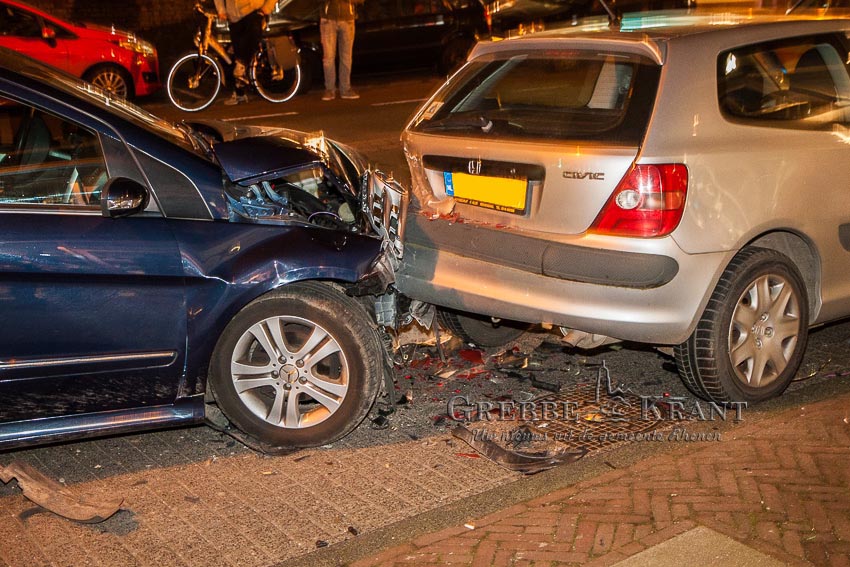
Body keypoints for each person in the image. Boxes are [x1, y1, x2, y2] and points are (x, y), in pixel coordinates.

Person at [214, 0, 277, 105]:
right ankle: (240, 94)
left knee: (243, 57)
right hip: (234, 16)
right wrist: (221, 10)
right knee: (237, 54)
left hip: (254, 11)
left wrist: (267, 7)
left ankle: (244, 68)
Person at [320, 0, 364, 101]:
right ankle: (330, 89)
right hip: (328, 18)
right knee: (328, 57)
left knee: (346, 57)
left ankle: (345, 89)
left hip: (348, 19)